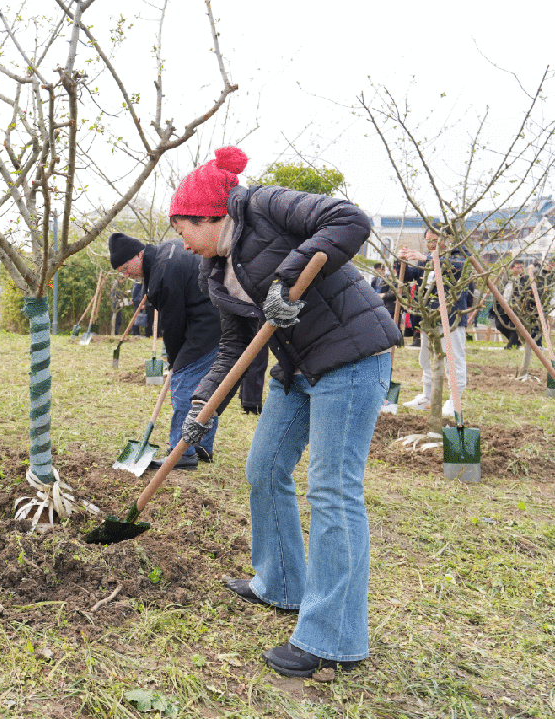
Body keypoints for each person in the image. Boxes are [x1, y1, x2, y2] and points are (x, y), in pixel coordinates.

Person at [169, 146, 400, 678]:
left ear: (206, 216)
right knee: (265, 467)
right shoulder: (215, 273)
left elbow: (349, 219)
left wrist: (284, 279)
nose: (181, 241)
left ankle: (334, 638)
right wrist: (201, 407)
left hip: (352, 357)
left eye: (182, 228)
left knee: (332, 489)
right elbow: (232, 350)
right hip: (298, 367)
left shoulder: (263, 205)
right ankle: (281, 583)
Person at [110, 232, 221, 469]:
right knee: (205, 387)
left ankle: (182, 453)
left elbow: (173, 325)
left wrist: (174, 361)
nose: (126, 275)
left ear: (138, 254)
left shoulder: (161, 275)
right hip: (217, 318)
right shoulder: (167, 249)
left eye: (126, 268)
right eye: (121, 272)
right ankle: (201, 446)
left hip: (206, 325)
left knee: (183, 387)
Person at [399, 229, 471, 417]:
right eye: (428, 240)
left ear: (447, 238)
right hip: (428, 317)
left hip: (451, 317)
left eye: (435, 239)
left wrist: (427, 259)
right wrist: (401, 261)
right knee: (426, 357)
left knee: (453, 358)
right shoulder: (427, 258)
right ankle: (427, 396)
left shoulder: (459, 256)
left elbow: (458, 267)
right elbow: (408, 275)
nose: (431, 243)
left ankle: (455, 400)